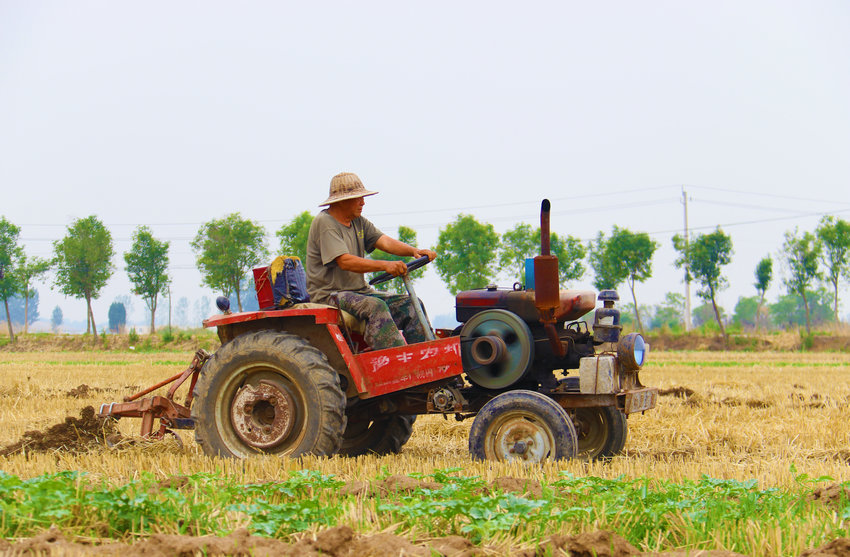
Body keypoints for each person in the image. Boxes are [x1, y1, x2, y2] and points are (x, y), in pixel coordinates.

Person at [305, 172, 437, 350]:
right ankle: (397, 362)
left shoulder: (358, 222)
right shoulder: (325, 223)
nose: (363, 202)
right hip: (331, 295)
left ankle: (426, 356)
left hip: (359, 292)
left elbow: (384, 241)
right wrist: (386, 265)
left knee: (412, 304)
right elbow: (345, 261)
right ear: (342, 200)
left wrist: (414, 251)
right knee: (376, 307)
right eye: (358, 198)